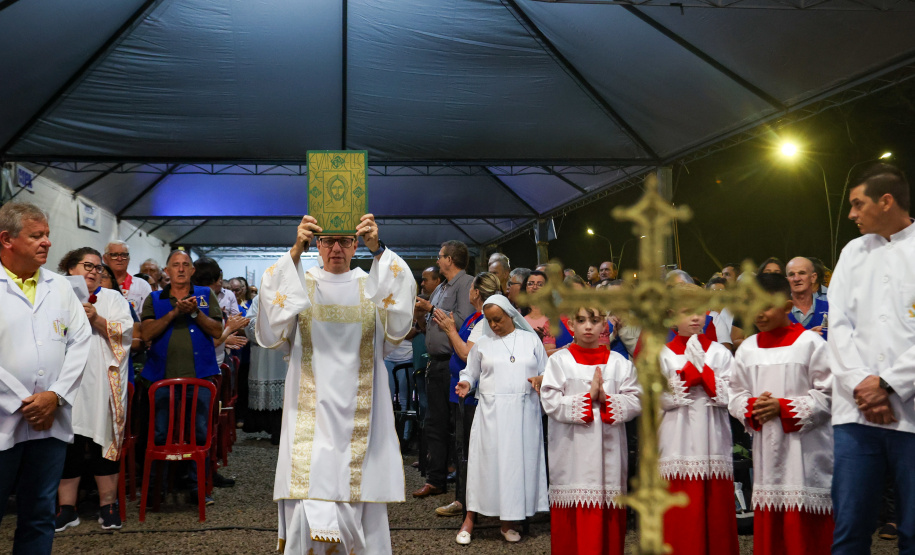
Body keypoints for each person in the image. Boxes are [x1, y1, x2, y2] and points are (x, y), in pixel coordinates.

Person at [256, 214, 415, 555]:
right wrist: (294, 252)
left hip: (363, 416)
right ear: (317, 244)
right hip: (309, 416)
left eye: (345, 240)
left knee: (360, 492)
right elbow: (270, 318)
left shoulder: (371, 286)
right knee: (309, 489)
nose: (336, 249)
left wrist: (379, 249)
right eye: (328, 241)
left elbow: (401, 310)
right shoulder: (301, 284)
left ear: (356, 244)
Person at [828, 163, 915, 554]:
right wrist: (863, 384)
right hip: (855, 413)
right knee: (849, 529)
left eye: (857, 204)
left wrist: (888, 384)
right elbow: (839, 326)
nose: (851, 214)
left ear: (886, 200)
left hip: (910, 411)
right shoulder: (852, 252)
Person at [0, 202, 91, 555]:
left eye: (47, 235)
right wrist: (21, 402)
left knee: (39, 512)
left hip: (50, 420)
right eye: (36, 236)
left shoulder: (60, 286)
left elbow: (81, 341)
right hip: (6, 416)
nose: (47, 243)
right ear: (7, 239)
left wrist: (55, 396)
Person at [727, 273, 834, 555]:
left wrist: (783, 407)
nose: (757, 314)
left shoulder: (810, 345)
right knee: (772, 532)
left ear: (787, 307)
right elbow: (734, 393)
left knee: (806, 536)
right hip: (767, 454)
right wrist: (751, 407)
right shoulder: (747, 349)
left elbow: (829, 395)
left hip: (806, 455)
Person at [540, 307, 641, 555]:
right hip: (571, 453)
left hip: (609, 455)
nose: (588, 327)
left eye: (594, 321)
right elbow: (550, 402)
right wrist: (587, 398)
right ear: (571, 325)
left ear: (604, 325)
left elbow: (636, 399)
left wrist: (606, 398)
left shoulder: (619, 363)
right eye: (582, 320)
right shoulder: (559, 361)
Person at [455, 295, 549, 545]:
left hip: (523, 411)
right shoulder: (483, 343)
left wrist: (540, 379)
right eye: (490, 320)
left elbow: (546, 370)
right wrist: (466, 382)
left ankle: (509, 520)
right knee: (483, 465)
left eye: (498, 319)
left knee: (515, 466)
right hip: (491, 412)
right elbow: (470, 372)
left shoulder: (530, 340)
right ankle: (470, 519)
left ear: (510, 315)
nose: (494, 325)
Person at [54, 247, 133, 531]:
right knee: (68, 445)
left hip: (101, 382)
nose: (93, 271)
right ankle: (66, 508)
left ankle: (108, 505)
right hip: (66, 384)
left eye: (98, 268)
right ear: (70, 267)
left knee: (104, 444)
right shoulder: (56, 295)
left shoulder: (112, 298)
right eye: (87, 265)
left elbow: (126, 333)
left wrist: (96, 319)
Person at [658, 283, 739, 555]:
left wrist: (706, 376)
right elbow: (656, 397)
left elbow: (733, 394)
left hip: (713, 439)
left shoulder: (719, 352)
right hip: (677, 441)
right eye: (686, 312)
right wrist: (688, 375)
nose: (695, 318)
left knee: (714, 510)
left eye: (699, 311)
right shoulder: (662, 354)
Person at [140, 250, 224, 504]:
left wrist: (196, 313)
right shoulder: (155, 298)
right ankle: (158, 489)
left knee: (200, 433)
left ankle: (198, 489)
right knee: (159, 434)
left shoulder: (205, 295)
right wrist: (174, 313)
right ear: (166, 271)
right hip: (161, 379)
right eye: (175, 265)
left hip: (200, 377)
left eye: (185, 265)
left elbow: (218, 331)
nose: (180, 269)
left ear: (192, 271)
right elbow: (146, 334)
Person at [429, 272, 502, 518]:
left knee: (467, 451)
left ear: (476, 292)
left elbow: (467, 355)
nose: (468, 291)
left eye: (471, 287)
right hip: (460, 393)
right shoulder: (474, 317)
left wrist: (450, 330)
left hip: (472, 395)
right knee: (462, 448)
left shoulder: (484, 321)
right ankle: (464, 500)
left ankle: (468, 503)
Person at [413, 241, 474, 499]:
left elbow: (463, 321)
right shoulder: (441, 287)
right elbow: (430, 326)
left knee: (458, 425)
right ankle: (435, 479)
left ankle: (465, 486)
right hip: (435, 364)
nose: (437, 261)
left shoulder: (468, 284)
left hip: (456, 366)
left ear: (450, 259)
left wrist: (431, 309)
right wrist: (421, 315)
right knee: (434, 423)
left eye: (440, 257)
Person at [243, 294, 285, 444]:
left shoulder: (295, 296)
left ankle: (282, 432)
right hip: (264, 351)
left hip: (285, 352)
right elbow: (249, 324)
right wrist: (268, 322)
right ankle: (267, 426)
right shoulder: (260, 298)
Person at [524, 270, 572, 354]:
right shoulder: (517, 315)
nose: (535, 287)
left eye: (540, 284)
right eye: (530, 283)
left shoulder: (557, 316)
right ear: (525, 287)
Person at [103, 241, 151, 315]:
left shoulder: (142, 285)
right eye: (114, 255)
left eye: (123, 255)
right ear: (105, 259)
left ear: (128, 258)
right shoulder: (99, 284)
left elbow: (146, 316)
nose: (119, 259)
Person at [786, 257, 828, 338]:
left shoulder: (829, 308)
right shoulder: (780, 312)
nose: (796, 278)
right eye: (791, 274)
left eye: (802, 273)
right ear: (787, 279)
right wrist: (805, 337)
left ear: (813, 277)